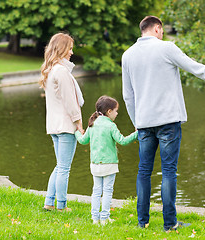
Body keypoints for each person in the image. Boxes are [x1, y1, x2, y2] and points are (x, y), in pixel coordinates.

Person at [121, 16, 205, 231]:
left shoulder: (127, 55)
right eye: (162, 31)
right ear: (158, 29)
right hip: (168, 121)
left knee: (143, 171)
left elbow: (127, 96)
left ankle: (143, 223)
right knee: (168, 171)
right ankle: (170, 224)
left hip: (144, 122)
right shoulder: (166, 48)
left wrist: (136, 122)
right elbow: (198, 69)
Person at [39, 32, 85, 212]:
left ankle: (49, 203)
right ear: (62, 49)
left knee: (59, 166)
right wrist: (78, 123)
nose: (72, 52)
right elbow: (70, 102)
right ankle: (61, 207)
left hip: (54, 125)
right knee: (64, 168)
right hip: (66, 126)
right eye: (70, 49)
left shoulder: (50, 71)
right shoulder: (62, 72)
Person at [75, 96, 138, 225]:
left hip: (95, 165)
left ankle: (95, 218)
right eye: (116, 111)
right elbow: (123, 141)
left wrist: (77, 132)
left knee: (96, 191)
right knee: (108, 191)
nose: (117, 113)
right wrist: (137, 133)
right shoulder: (111, 126)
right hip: (109, 165)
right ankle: (104, 218)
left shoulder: (92, 124)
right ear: (109, 111)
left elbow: (82, 140)